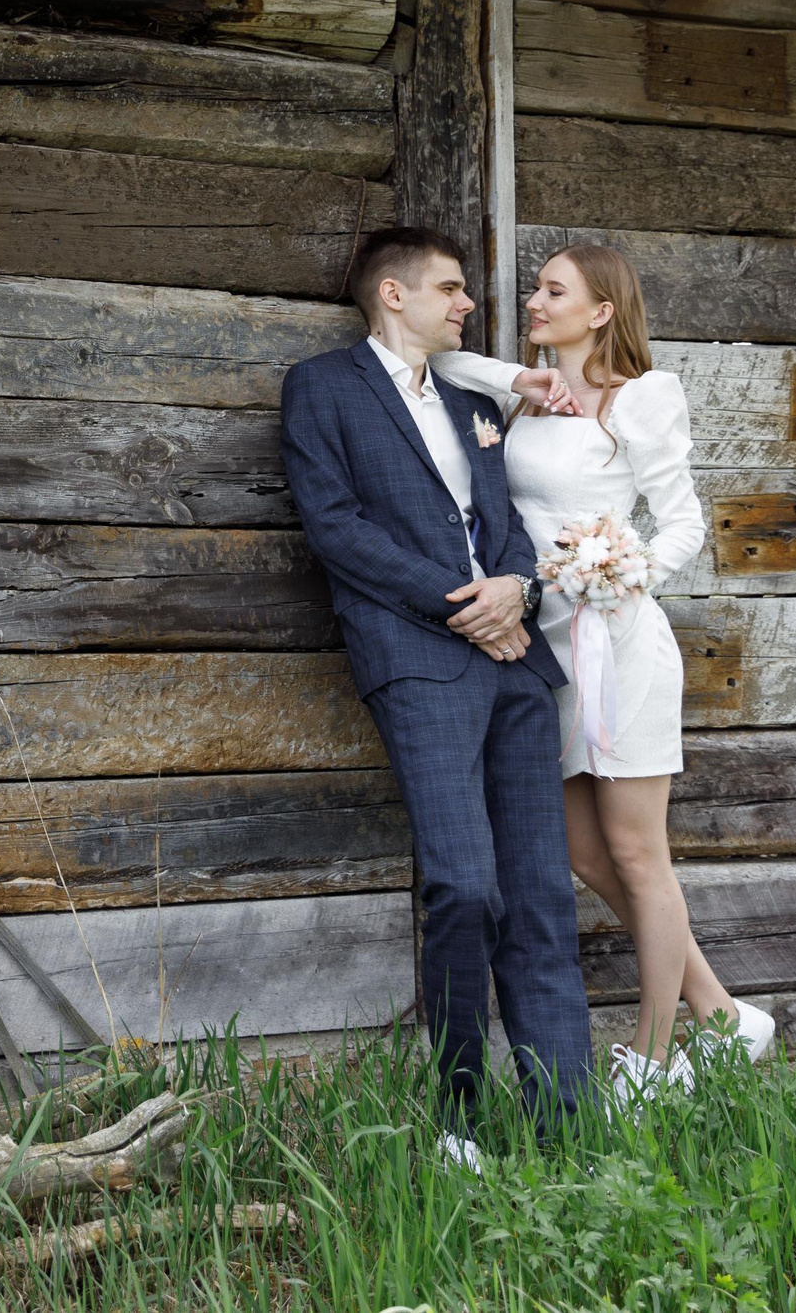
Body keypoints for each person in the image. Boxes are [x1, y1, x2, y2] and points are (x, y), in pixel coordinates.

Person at [431, 243, 779, 1100]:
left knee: (637, 852)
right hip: (542, 647)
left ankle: (654, 1061)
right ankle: (727, 1016)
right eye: (537, 289)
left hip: (618, 645)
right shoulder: (529, 396)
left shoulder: (643, 397)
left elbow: (685, 525)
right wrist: (518, 380)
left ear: (601, 311)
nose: (534, 302)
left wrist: (618, 572)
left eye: (554, 291)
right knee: (584, 852)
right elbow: (440, 354)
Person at [280, 227, 592, 1172]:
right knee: (464, 886)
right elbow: (333, 527)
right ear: (392, 293)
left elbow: (502, 523)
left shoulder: (468, 401)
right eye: (451, 290)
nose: (466, 306)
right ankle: (459, 1116)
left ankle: (566, 1130)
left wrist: (519, 594)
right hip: (420, 662)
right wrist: (465, 609)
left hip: (518, 666)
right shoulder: (323, 388)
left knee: (541, 895)